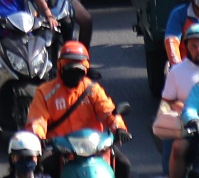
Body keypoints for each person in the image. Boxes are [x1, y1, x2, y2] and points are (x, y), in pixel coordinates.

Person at [26, 42, 128, 178]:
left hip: (94, 148)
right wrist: (39, 137)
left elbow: (108, 110)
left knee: (124, 165)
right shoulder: (45, 92)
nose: (74, 74)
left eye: (78, 70)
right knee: (44, 167)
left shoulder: (92, 89)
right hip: (60, 149)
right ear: (61, 67)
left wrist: (119, 128)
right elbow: (37, 120)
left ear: (85, 70)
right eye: (70, 69)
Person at [152, 23, 199, 174]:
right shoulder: (177, 71)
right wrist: (162, 115)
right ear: (187, 48)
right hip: (187, 126)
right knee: (176, 149)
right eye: (193, 46)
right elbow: (167, 101)